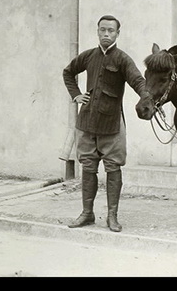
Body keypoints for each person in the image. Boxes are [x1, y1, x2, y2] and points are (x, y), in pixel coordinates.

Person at [62, 14, 151, 232]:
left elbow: (138, 81)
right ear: (97, 31)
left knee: (113, 167)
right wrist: (76, 95)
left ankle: (112, 216)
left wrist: (146, 97)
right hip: (86, 122)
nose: (106, 34)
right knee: (88, 166)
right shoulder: (89, 56)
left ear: (117, 34)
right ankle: (87, 213)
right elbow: (68, 72)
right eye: (102, 30)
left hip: (112, 125)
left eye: (111, 31)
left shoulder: (122, 59)